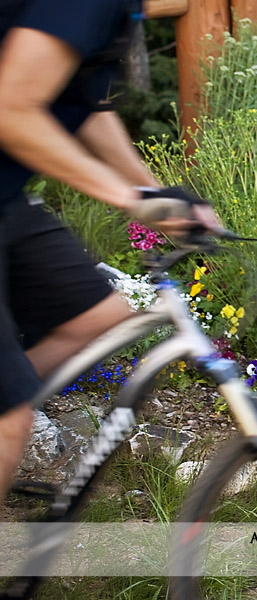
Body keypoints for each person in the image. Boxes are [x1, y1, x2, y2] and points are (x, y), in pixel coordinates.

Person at [0, 0, 220, 502]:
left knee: (103, 312)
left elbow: (88, 111)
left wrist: (156, 195)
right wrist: (127, 199)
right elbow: (10, 109)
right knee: (10, 421)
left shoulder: (116, 11)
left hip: (8, 200)